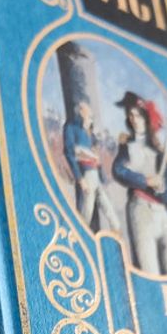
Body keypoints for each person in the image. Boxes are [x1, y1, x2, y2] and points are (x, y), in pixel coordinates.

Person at [112, 91, 167, 275]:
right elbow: (118, 171)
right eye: (131, 115)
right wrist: (145, 181)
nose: (134, 119)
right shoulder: (127, 146)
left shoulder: (161, 153)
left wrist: (162, 189)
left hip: (163, 215)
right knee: (149, 269)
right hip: (141, 211)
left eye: (138, 115)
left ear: (146, 118)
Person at [63, 99, 121, 233]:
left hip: (95, 172)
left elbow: (95, 151)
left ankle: (117, 231)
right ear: (81, 111)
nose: (90, 112)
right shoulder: (71, 127)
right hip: (86, 173)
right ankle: (81, 233)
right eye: (86, 110)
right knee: (87, 209)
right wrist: (80, 178)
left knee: (106, 204)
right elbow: (69, 153)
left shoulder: (90, 131)